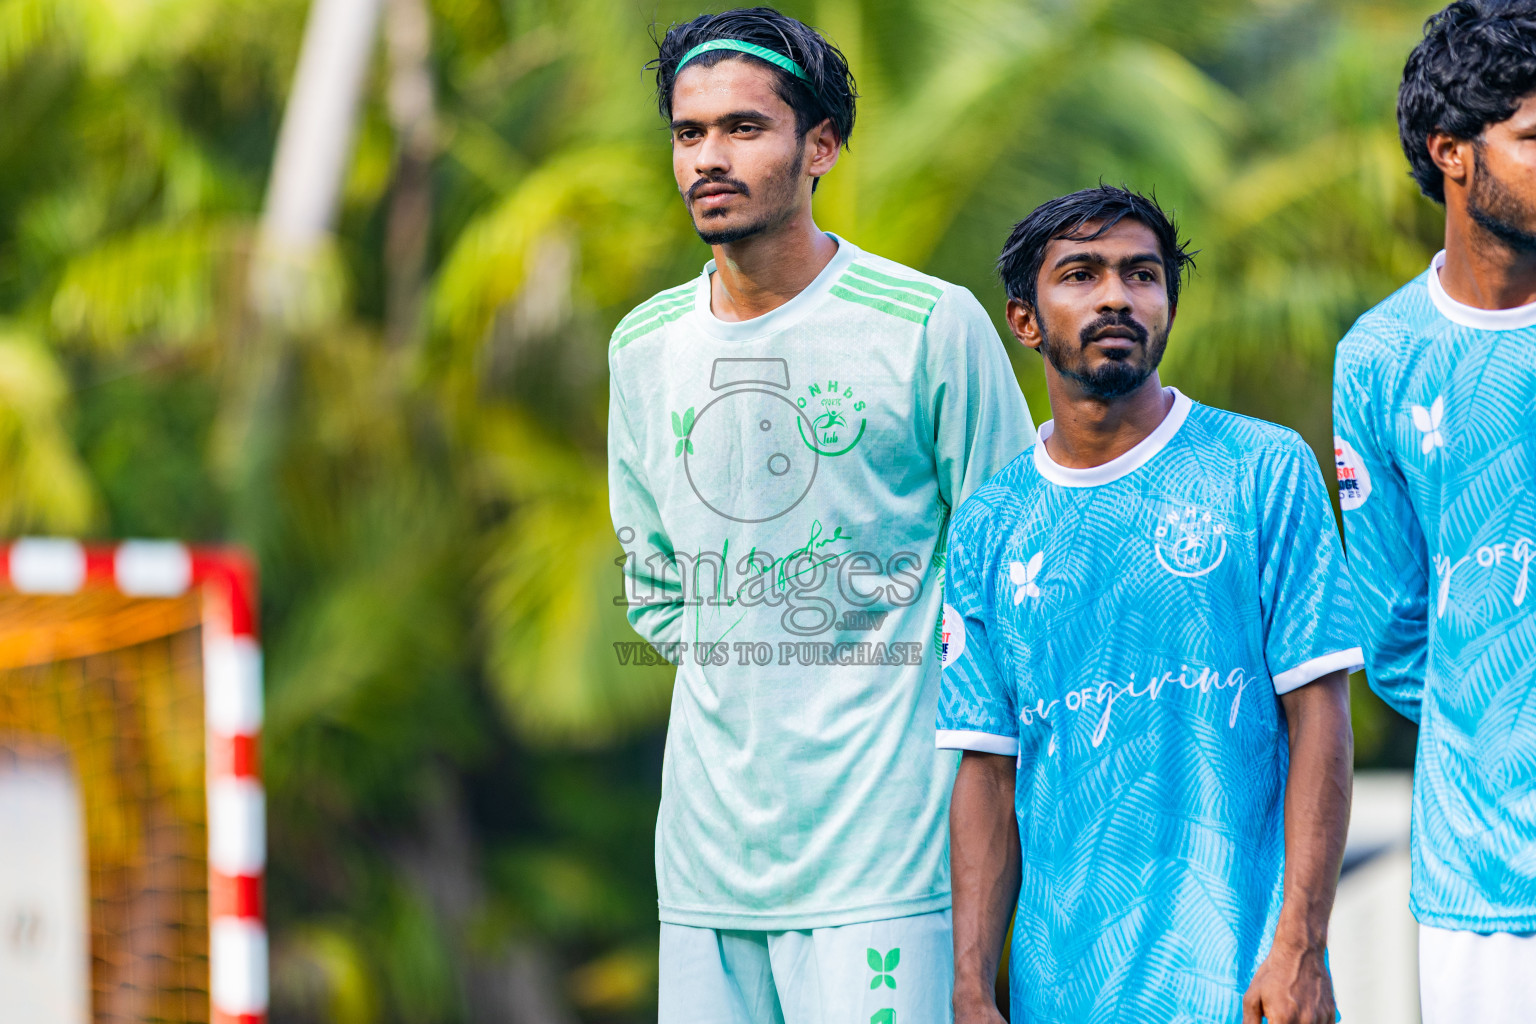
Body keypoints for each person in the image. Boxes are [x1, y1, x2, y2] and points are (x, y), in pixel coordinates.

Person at [607, 8, 1035, 1021]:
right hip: (706, 867)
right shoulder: (643, 346)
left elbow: (1014, 569)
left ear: (822, 146)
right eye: (689, 132)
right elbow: (660, 587)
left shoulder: (928, 325)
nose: (709, 156)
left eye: (744, 128)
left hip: (884, 864)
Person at [940, 185, 1359, 1024]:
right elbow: (986, 770)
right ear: (1025, 320)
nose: (1115, 297)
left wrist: (1300, 948)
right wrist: (970, 989)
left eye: (1141, 275)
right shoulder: (990, 524)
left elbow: (1321, 715)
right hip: (1061, 992)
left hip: (1244, 984)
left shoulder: (1261, 468)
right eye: (1081, 274)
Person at [1333, 3, 1536, 1019]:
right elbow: (1393, 631)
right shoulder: (1378, 356)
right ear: (1451, 151)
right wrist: (1498, 729)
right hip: (1482, 880)